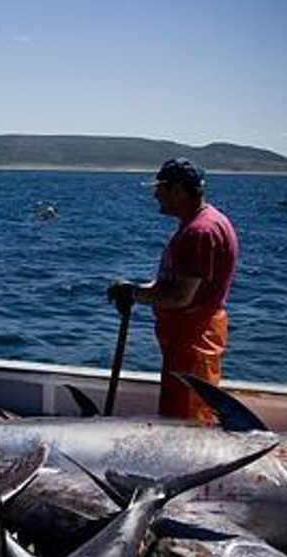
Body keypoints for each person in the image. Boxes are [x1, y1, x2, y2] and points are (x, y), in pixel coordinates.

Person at [108, 158, 238, 423]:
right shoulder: (196, 225)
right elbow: (170, 286)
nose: (155, 195)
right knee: (177, 414)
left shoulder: (201, 232)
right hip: (182, 341)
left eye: (160, 188)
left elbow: (180, 297)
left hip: (193, 342)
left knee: (187, 422)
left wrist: (134, 295)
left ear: (177, 190)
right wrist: (134, 289)